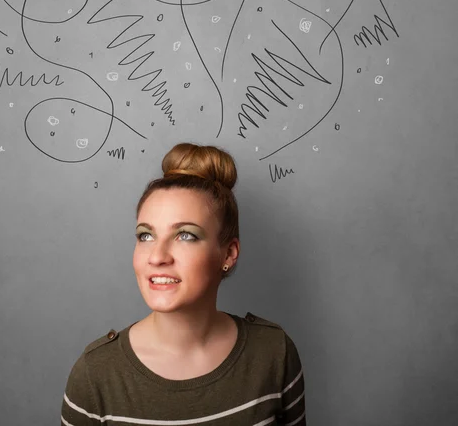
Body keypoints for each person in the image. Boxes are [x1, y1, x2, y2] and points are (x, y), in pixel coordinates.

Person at [60, 142, 306, 425]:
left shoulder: (274, 352)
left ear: (228, 253)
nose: (157, 256)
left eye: (186, 235)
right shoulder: (95, 375)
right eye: (146, 236)